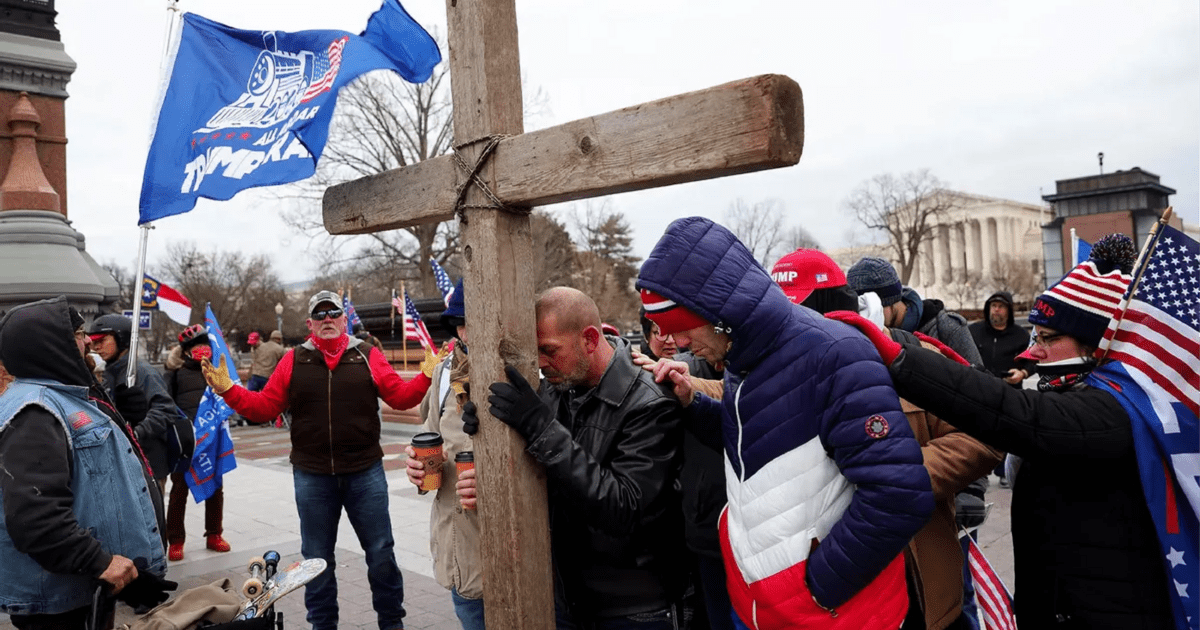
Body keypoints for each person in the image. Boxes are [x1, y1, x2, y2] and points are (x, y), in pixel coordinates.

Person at [828, 234, 1176, 628]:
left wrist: (896, 353)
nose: (1031, 352)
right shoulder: (1087, 395)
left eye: (1048, 339)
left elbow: (1007, 411)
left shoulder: (1115, 410)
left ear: (1099, 346)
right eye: (1035, 336)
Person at [636, 217, 933, 629]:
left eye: (681, 328)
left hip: (833, 615)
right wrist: (693, 404)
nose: (678, 343)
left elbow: (899, 496)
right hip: (760, 607)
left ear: (720, 313)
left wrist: (816, 589)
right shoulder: (742, 356)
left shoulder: (836, 354)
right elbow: (761, 438)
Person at [773, 248, 1001, 630]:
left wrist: (904, 478)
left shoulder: (916, 354)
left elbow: (985, 429)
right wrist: (687, 388)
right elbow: (729, 396)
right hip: (838, 585)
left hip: (920, 573)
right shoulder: (781, 372)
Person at [201, 290, 438, 630]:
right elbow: (264, 407)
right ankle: (322, 626)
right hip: (312, 476)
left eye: (333, 313)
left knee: (381, 554)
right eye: (320, 314)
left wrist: (426, 376)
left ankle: (392, 623)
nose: (327, 319)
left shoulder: (367, 354)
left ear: (344, 319)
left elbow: (400, 398)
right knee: (315, 562)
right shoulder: (293, 360)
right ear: (310, 323)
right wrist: (229, 390)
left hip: (365, 473)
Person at [472, 286, 686, 628]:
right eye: (536, 351)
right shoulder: (559, 388)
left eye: (549, 350)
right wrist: (491, 428)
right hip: (568, 597)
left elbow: (623, 509)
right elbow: (547, 474)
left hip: (633, 606)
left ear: (589, 339)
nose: (541, 363)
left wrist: (540, 428)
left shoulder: (650, 402)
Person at [0, 297, 174, 628]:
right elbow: (36, 518)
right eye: (80, 334)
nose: (89, 342)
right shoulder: (35, 412)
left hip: (83, 589)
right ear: (51, 344)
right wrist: (102, 563)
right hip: (58, 603)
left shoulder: (61, 395)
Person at [402, 279, 485, 630]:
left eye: (475, 320)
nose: (467, 331)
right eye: (460, 323)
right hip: (461, 556)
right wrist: (418, 470)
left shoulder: (532, 370)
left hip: (519, 557)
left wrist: (495, 483)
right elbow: (430, 439)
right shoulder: (444, 372)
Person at [88, 313, 182, 491]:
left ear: (121, 338)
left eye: (102, 340)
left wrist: (138, 432)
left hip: (149, 461)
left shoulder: (142, 372)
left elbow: (166, 409)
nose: (97, 347)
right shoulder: (107, 374)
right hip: (123, 461)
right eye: (93, 342)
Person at [164, 324, 230, 561]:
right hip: (185, 441)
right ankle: (176, 540)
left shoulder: (217, 372)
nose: (202, 350)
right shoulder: (175, 374)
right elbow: (165, 405)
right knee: (179, 491)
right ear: (186, 351)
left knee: (215, 489)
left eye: (205, 345)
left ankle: (214, 534)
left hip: (212, 441)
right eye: (196, 347)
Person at [846, 257, 983, 368]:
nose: (869, 316)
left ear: (892, 301)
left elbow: (980, 382)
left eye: (874, 307)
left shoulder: (947, 328)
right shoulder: (868, 335)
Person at [969, 291, 1032, 386]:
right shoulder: (973, 331)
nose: (996, 309)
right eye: (993, 305)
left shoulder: (1021, 335)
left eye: (1001, 306)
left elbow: (1033, 361)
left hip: (1010, 390)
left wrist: (1023, 373)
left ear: (1009, 310)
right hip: (978, 388)